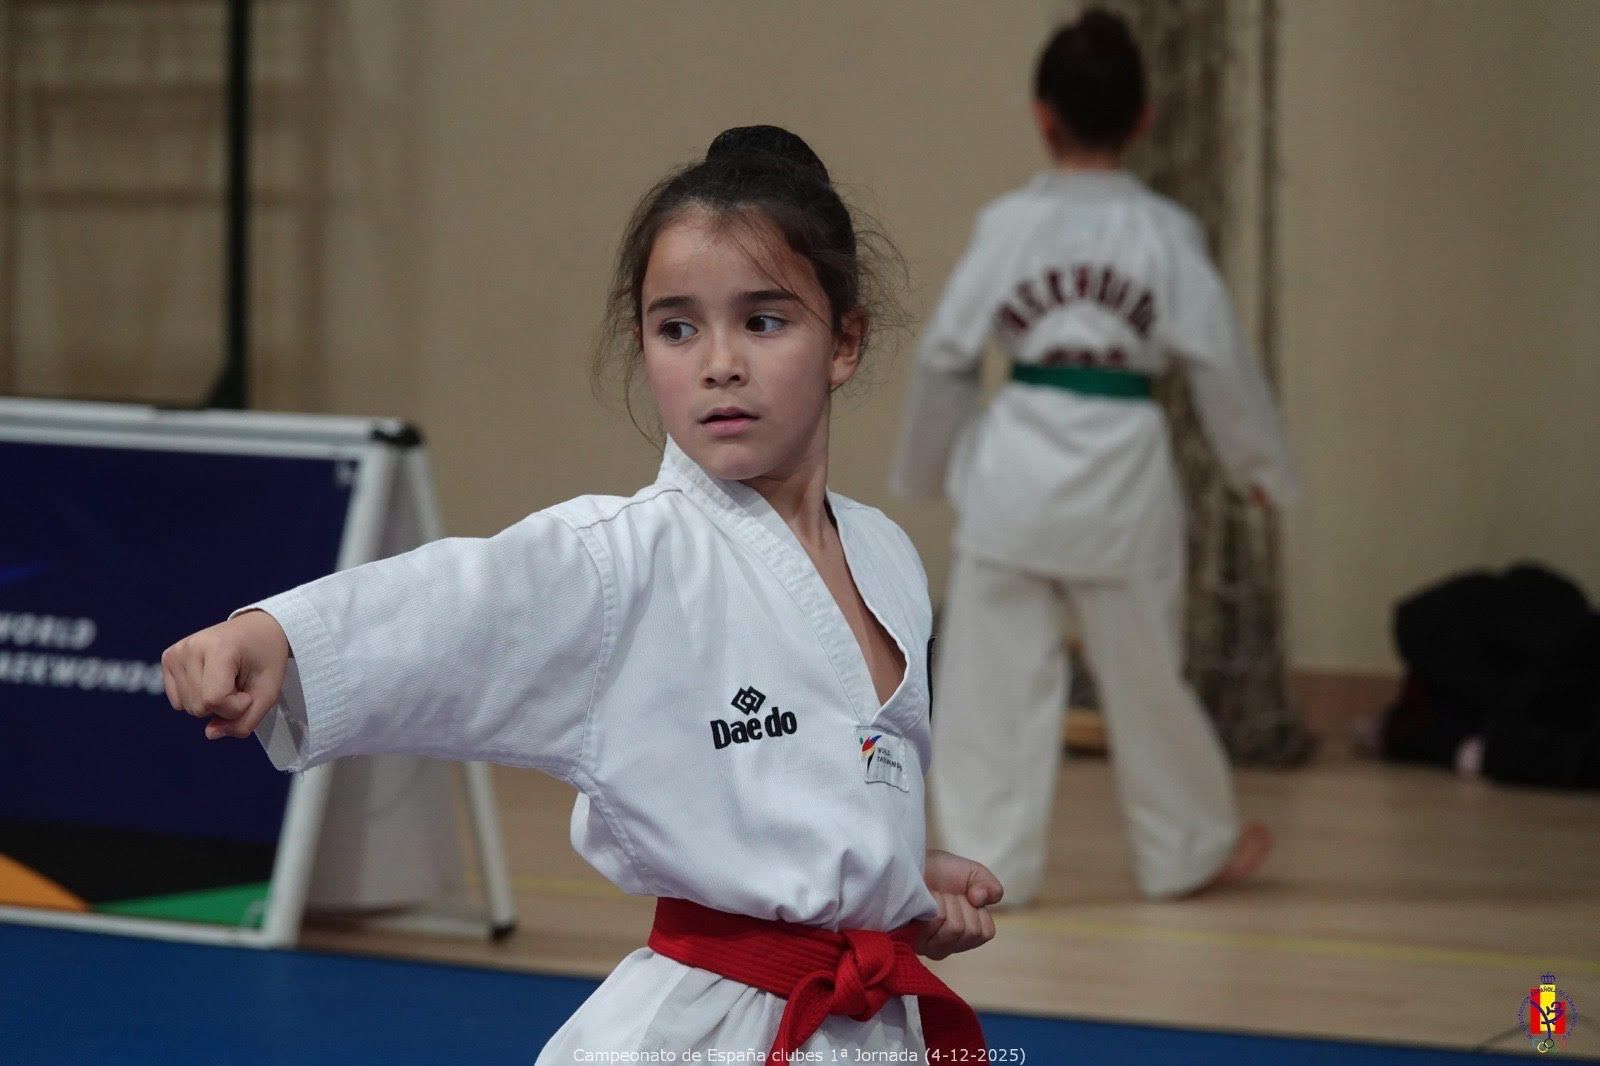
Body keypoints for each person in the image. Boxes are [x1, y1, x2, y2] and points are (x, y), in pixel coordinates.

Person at [161, 126, 1002, 1063]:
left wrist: (889, 887)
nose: (718, 362)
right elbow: (462, 600)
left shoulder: (887, 557)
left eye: (764, 321)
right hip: (709, 1028)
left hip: (870, 1023)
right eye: (677, 326)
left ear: (845, 339)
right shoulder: (623, 561)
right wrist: (278, 634)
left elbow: (816, 782)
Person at [889, 10, 1297, 906]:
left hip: (1017, 472)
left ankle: (991, 866)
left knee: (989, 686)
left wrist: (923, 470)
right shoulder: (1165, 234)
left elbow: (947, 355)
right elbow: (1221, 360)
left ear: (1041, 116)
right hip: (1124, 479)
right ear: (1145, 117)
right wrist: (1256, 468)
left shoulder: (1007, 226)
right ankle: (1187, 849)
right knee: (1149, 676)